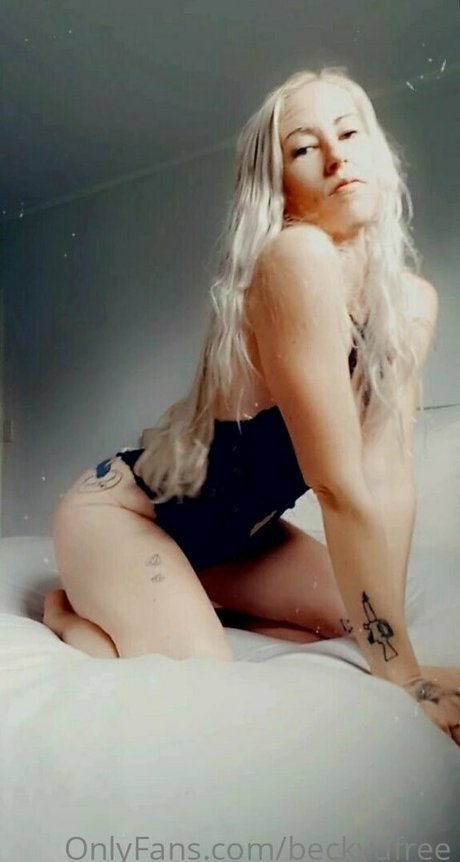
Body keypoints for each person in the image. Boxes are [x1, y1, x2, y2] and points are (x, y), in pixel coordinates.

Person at [43, 66, 460, 745]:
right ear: (280, 187)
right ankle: (69, 611)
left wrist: (397, 653)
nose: (335, 156)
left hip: (239, 542)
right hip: (122, 514)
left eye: (349, 133)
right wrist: (404, 678)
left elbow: (388, 478)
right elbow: (338, 483)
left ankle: (194, 592)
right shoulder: (295, 258)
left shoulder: (411, 304)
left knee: (363, 615)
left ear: (378, 151)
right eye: (304, 147)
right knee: (205, 675)